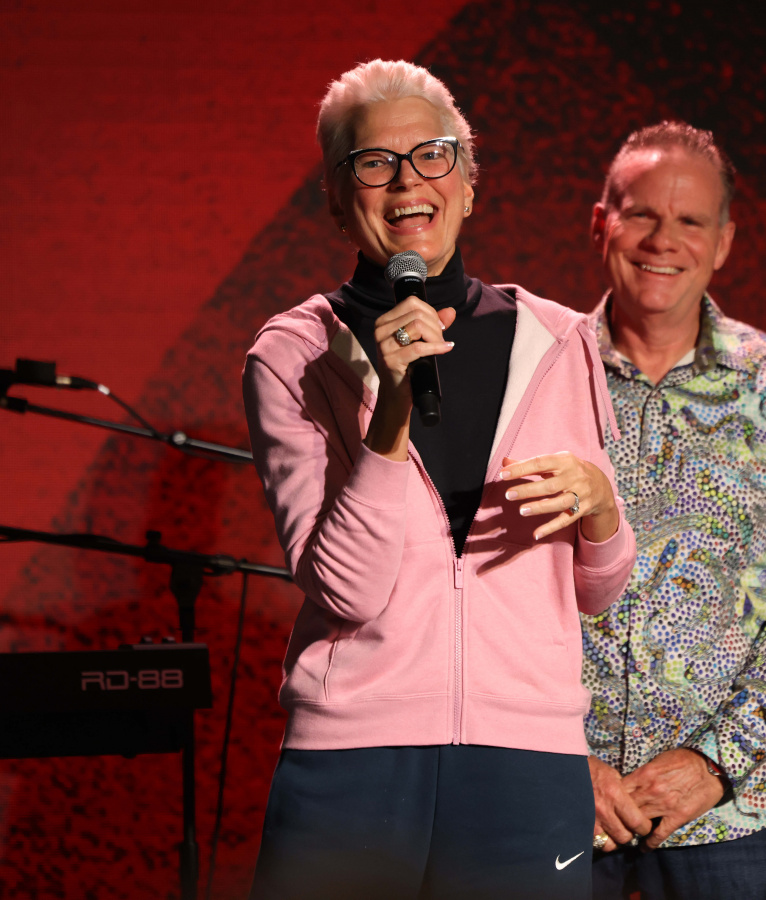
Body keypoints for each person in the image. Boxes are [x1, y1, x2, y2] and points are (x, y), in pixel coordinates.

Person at [242, 59, 636, 900]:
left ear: (468, 184)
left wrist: (602, 511)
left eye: (432, 155)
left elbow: (596, 591)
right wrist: (389, 411)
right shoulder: (293, 355)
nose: (406, 182)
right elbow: (346, 591)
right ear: (335, 197)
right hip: (353, 757)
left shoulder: (559, 342)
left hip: (526, 759)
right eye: (372, 163)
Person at [581, 121, 766, 900]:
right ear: (600, 222)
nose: (661, 240)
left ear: (724, 242)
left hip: (737, 818)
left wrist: (715, 761)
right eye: (640, 214)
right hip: (560, 803)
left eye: (690, 220)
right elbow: (480, 589)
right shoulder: (537, 377)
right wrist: (551, 754)